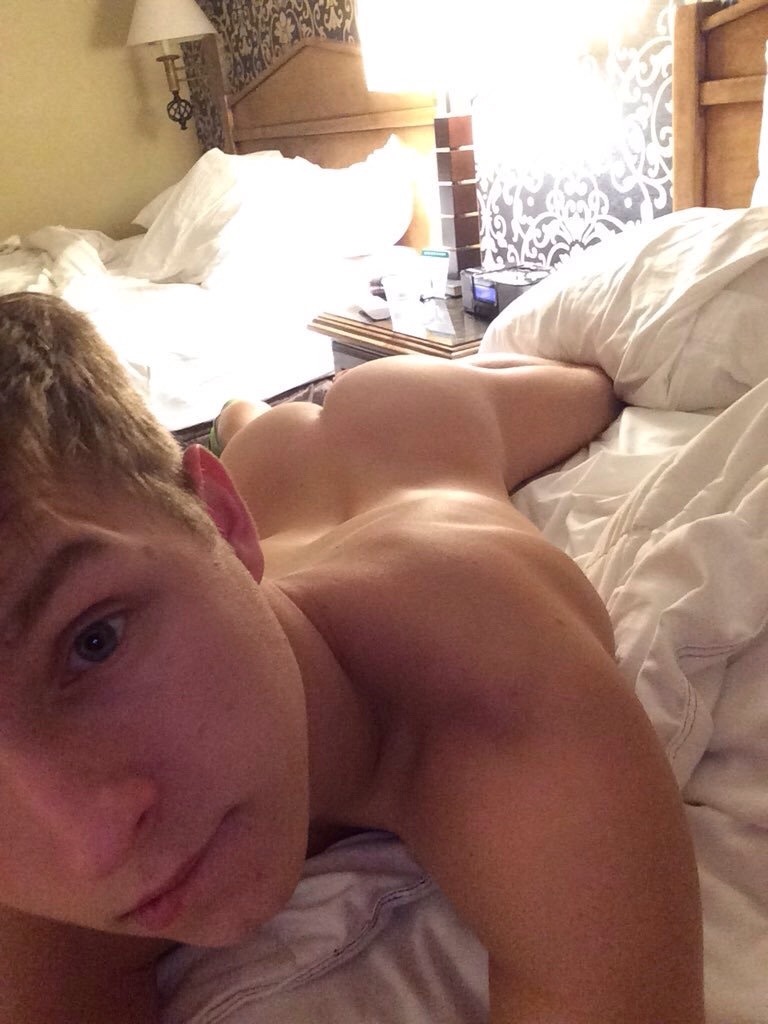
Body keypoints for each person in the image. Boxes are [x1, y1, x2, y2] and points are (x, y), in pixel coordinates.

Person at [0, 291, 704, 1024]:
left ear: (221, 522)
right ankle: (246, 417)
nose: (93, 847)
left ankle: (254, 419)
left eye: (95, 641)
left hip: (407, 441)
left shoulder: (509, 705)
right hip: (271, 496)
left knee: (590, 386)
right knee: (264, 432)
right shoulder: (34, 826)